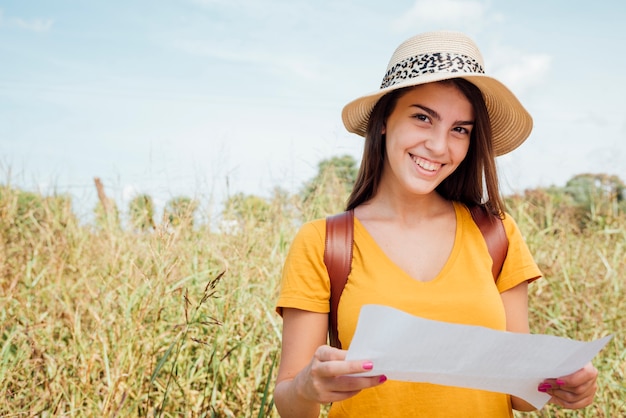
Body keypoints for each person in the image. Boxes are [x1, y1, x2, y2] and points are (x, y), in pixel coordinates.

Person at [274, 31, 598, 417]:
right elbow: (290, 403)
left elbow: (519, 396)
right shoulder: (323, 242)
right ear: (383, 121)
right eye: (422, 117)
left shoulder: (496, 233)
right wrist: (309, 387)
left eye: (460, 129)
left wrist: (565, 384)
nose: (440, 146)